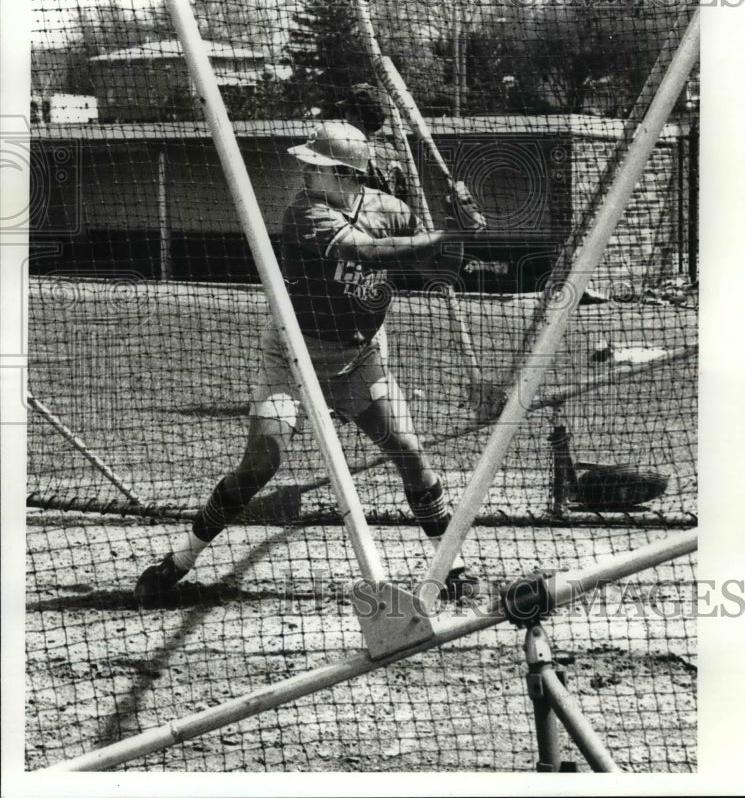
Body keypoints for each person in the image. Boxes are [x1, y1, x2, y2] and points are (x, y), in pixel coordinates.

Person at [134, 121, 485, 606]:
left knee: (409, 452)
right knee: (261, 463)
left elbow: (442, 272)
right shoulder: (302, 213)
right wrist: (444, 232)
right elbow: (358, 248)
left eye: (314, 165)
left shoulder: (392, 212)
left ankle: (453, 567)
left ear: (344, 174)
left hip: (359, 357)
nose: (303, 170)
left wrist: (457, 234)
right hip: (293, 355)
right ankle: (180, 560)